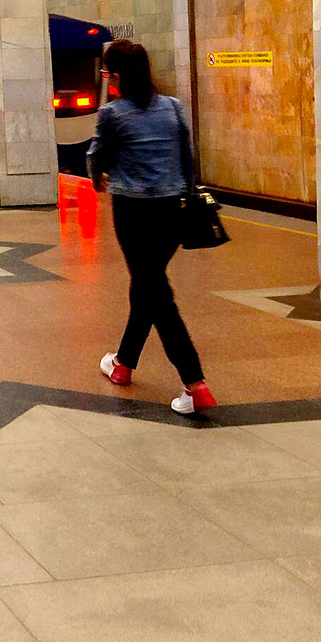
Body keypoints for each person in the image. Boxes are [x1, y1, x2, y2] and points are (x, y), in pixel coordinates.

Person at [89, 38, 216, 416]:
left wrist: (97, 175)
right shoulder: (174, 109)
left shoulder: (113, 114)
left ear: (114, 76)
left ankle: (195, 384)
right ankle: (124, 364)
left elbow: (97, 157)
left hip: (133, 213)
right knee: (147, 285)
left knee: (157, 295)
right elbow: (188, 161)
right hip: (173, 212)